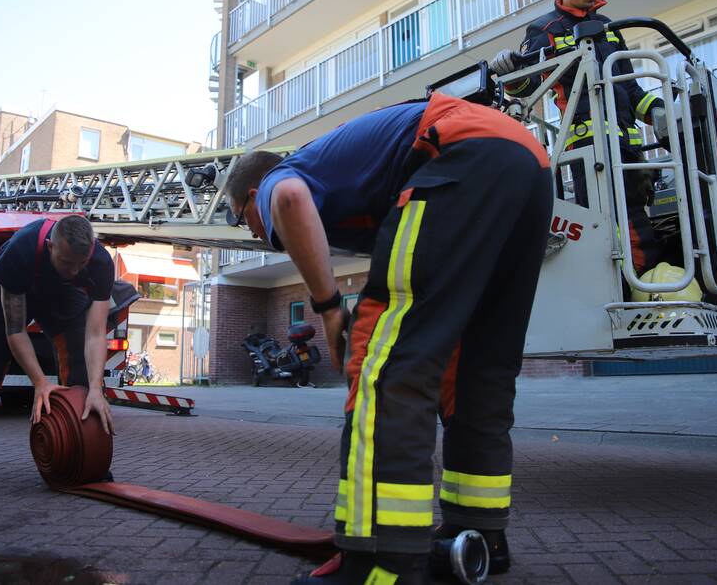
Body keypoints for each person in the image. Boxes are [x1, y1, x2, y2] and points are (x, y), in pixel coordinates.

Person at [224, 91, 552, 584]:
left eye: (239, 216)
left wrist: (331, 310)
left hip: (459, 149)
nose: (251, 233)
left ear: (251, 194)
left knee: (387, 365)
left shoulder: (275, 180)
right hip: (529, 165)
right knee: (475, 370)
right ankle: (478, 536)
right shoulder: (347, 171)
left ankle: (382, 561)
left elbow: (290, 201)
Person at [497, 0, 665, 275]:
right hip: (588, 152)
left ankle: (648, 300)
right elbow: (529, 87)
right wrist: (512, 74)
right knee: (607, 231)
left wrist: (660, 112)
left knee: (639, 230)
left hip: (628, 149)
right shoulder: (544, 29)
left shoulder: (609, 28)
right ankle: (626, 300)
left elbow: (630, 89)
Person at [0, 215, 116, 481]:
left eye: (80, 263)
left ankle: (86, 455)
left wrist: (96, 389)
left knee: (83, 375)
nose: (74, 270)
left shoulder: (100, 263)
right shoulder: (20, 250)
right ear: (51, 246)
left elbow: (95, 334)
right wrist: (40, 382)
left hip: (61, 294)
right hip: (13, 291)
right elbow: (15, 330)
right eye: (66, 262)